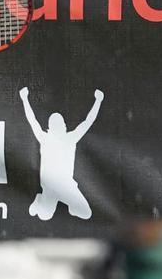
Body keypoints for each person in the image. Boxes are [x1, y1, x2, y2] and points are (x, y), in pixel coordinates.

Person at [19, 87, 103, 220]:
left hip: (66, 185)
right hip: (49, 186)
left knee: (86, 213)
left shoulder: (70, 138)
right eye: (55, 123)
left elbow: (88, 122)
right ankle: (40, 199)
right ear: (50, 126)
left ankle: (68, 206)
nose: (59, 125)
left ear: (64, 125)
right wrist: (24, 99)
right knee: (44, 216)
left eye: (60, 122)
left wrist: (98, 101)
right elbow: (32, 121)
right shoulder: (45, 138)